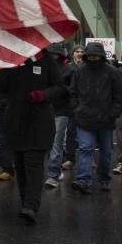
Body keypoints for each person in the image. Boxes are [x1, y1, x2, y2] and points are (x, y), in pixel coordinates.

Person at [0, 51, 68, 223]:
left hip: (39, 121)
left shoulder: (46, 60)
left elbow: (60, 87)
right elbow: (1, 87)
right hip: (15, 121)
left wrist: (44, 95)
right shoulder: (10, 59)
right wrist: (3, 66)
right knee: (19, 164)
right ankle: (25, 200)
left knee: (33, 164)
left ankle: (31, 206)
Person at [68, 42, 122, 194]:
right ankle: (83, 180)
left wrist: (112, 114)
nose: (93, 58)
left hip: (105, 120)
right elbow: (72, 93)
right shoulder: (80, 72)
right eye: (90, 55)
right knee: (85, 149)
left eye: (95, 55)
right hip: (84, 119)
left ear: (101, 56)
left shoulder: (113, 72)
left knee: (106, 153)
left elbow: (119, 97)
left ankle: (104, 179)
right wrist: (77, 109)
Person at [44, 44, 76, 188]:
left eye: (53, 54)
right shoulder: (43, 68)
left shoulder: (68, 70)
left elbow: (72, 91)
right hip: (44, 110)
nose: (51, 56)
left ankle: (52, 175)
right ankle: (53, 171)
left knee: (56, 143)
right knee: (46, 143)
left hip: (61, 111)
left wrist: (58, 91)